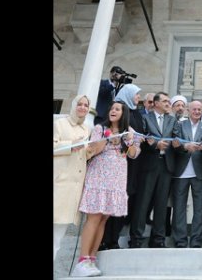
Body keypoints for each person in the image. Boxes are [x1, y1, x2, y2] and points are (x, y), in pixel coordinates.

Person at [71, 101, 142, 277]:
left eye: (117, 109)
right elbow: (93, 150)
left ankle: (92, 258)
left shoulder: (129, 132)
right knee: (94, 217)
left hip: (116, 178)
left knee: (103, 219)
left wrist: (130, 140)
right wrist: (108, 137)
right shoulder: (100, 129)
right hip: (99, 176)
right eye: (111, 108)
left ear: (124, 113)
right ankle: (82, 259)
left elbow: (133, 154)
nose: (113, 111)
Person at [130, 92, 180, 248]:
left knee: (161, 203)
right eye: (165, 101)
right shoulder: (145, 118)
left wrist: (179, 145)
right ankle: (136, 239)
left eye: (169, 101)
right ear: (156, 103)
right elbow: (141, 139)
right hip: (149, 165)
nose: (168, 104)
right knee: (143, 202)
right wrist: (154, 145)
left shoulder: (173, 120)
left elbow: (176, 138)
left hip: (166, 166)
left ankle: (158, 239)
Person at [98, 84, 145, 251]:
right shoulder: (118, 111)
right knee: (110, 203)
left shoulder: (136, 114)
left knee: (121, 201)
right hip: (115, 165)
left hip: (131, 164)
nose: (138, 98)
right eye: (136, 95)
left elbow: (137, 138)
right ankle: (104, 240)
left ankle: (113, 239)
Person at [54, 94, 91, 260]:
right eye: (80, 104)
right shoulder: (59, 124)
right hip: (58, 183)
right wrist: (70, 145)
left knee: (58, 238)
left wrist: (90, 150)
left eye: (85, 105)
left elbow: (83, 156)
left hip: (73, 188)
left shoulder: (86, 129)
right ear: (74, 105)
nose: (82, 107)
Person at [171, 100, 202, 248]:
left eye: (200, 109)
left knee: (199, 208)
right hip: (181, 171)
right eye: (194, 109)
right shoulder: (180, 125)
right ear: (188, 110)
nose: (197, 112)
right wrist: (185, 146)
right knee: (179, 207)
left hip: (199, 172)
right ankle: (180, 240)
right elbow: (175, 145)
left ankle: (196, 241)